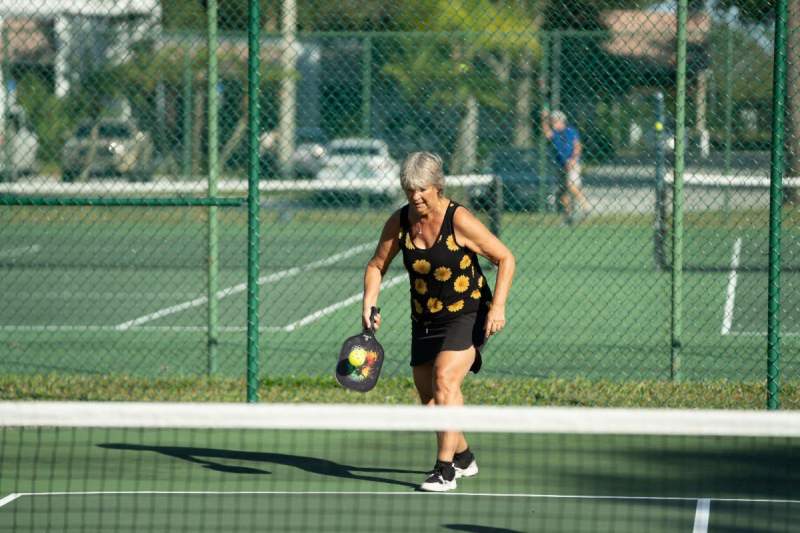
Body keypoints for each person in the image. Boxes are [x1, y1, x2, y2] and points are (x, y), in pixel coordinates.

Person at [362, 151, 515, 492]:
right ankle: (463, 456)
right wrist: (369, 302)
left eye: (422, 190)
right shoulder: (400, 222)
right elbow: (376, 265)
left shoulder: (457, 219)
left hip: (467, 312)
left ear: (437, 186)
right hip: (425, 318)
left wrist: (498, 307)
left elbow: (505, 258)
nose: (415, 197)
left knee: (446, 381)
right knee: (430, 400)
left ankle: (444, 469)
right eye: (409, 190)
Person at [541, 109, 590, 223]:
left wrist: (573, 160)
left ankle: (585, 206)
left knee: (571, 185)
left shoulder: (570, 131)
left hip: (573, 163)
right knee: (563, 191)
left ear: (561, 121)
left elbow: (577, 146)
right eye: (552, 121)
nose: (553, 123)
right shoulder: (555, 134)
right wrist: (544, 118)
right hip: (561, 165)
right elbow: (546, 132)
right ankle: (568, 216)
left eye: (555, 121)